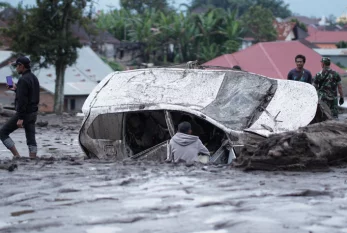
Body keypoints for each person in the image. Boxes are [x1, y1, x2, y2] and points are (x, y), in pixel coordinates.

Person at [0, 56, 40, 159]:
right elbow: (30, 95)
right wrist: (16, 89)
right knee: (31, 138)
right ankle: (33, 158)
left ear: (21, 66)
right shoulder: (33, 78)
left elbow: (23, 101)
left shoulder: (23, 80)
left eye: (17, 66)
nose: (16, 68)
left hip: (25, 113)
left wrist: (20, 118)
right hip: (33, 113)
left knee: (3, 132)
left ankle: (17, 156)